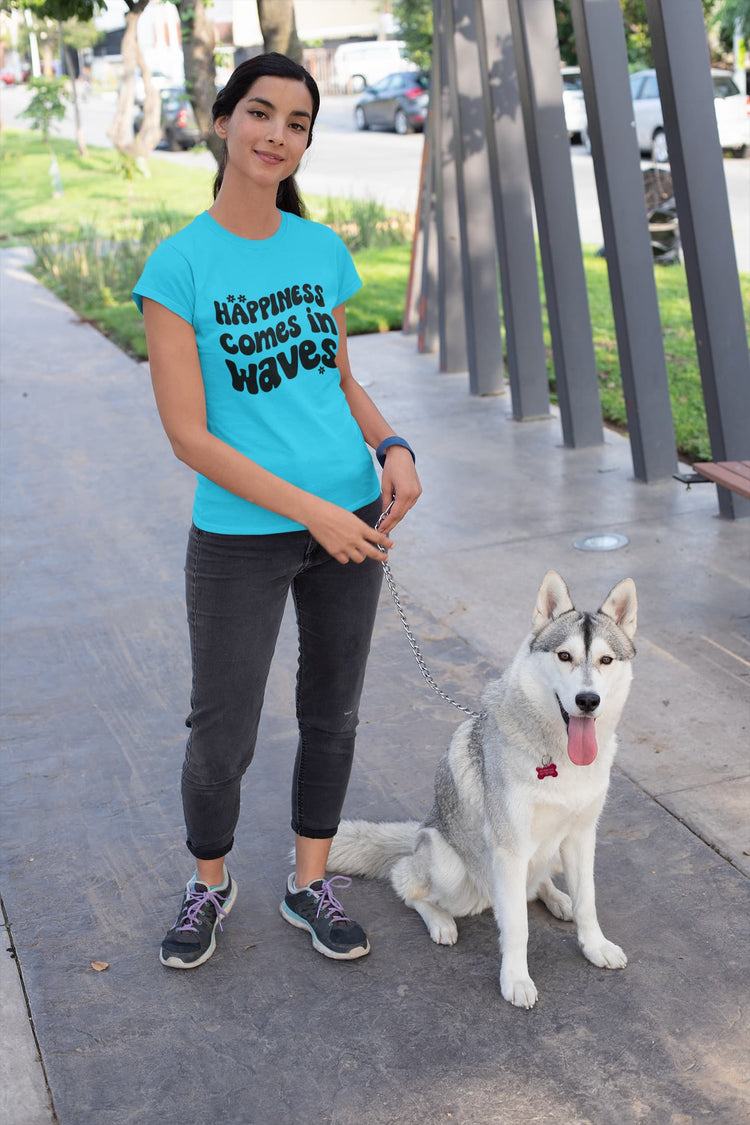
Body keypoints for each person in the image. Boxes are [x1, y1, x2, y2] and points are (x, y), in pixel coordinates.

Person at [132, 53, 421, 970]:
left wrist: (393, 446)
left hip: (350, 509)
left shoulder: (319, 249)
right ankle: (210, 882)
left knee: (333, 714)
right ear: (222, 120)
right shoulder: (177, 267)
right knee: (223, 727)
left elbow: (339, 382)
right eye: (260, 113)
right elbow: (190, 435)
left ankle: (310, 878)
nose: (276, 136)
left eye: (296, 123)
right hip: (241, 534)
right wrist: (313, 513)